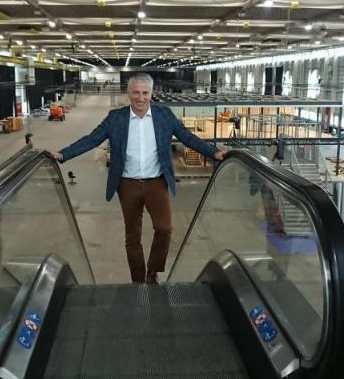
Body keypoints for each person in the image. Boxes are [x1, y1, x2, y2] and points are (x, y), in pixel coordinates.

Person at [50, 74, 227, 284]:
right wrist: (63, 154)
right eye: (136, 92)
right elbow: (91, 140)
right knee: (132, 237)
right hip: (127, 185)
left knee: (164, 229)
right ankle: (138, 280)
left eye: (145, 93)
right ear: (129, 93)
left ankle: (152, 272)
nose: (140, 98)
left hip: (156, 183)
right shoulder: (116, 117)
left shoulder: (164, 115)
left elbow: (187, 137)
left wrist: (213, 152)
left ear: (151, 94)